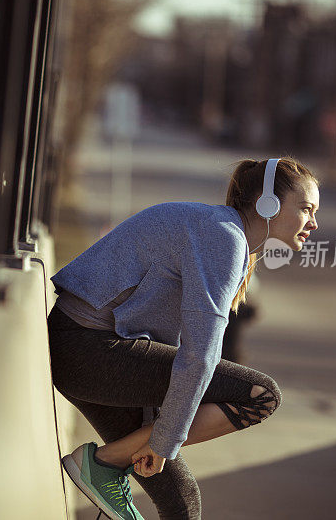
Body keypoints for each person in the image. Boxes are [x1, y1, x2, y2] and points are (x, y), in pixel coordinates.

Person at [48, 157, 320, 519]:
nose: (314, 223)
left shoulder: (224, 234)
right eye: (305, 208)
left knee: (182, 501)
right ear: (267, 203)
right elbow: (199, 355)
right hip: (88, 350)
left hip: (95, 352)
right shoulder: (223, 237)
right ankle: (105, 462)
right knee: (262, 396)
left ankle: (106, 465)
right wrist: (163, 441)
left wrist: (162, 436)